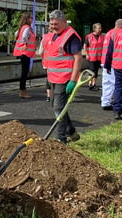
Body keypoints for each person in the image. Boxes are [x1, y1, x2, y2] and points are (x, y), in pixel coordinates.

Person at [44, 10, 82, 144]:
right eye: (52, 24)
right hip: (53, 76)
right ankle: (71, 131)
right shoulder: (54, 35)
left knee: (59, 108)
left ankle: (61, 138)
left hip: (64, 77)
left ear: (64, 22)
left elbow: (78, 58)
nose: (53, 26)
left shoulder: (71, 36)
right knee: (58, 107)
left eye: (56, 24)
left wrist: (73, 79)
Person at [101, 18, 122, 112]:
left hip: (105, 61)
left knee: (107, 83)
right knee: (118, 84)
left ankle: (105, 102)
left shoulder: (109, 33)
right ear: (121, 25)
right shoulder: (116, 34)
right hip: (113, 62)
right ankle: (120, 104)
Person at [13, 12, 36, 99]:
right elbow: (24, 37)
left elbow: (16, 34)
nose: (32, 19)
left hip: (24, 53)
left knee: (24, 72)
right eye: (31, 18)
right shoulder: (27, 28)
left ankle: (23, 90)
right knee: (24, 72)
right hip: (25, 52)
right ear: (27, 19)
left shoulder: (22, 28)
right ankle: (22, 91)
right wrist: (25, 43)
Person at [84, 23, 104, 90]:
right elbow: (85, 46)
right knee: (91, 70)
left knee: (96, 71)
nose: (100, 29)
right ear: (94, 29)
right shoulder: (89, 37)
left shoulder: (102, 37)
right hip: (91, 56)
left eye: (101, 28)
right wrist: (86, 54)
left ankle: (94, 84)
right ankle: (90, 83)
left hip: (99, 57)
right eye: (99, 28)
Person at [37, 27, 53, 102]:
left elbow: (40, 52)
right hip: (57, 63)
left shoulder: (45, 38)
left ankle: (48, 96)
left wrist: (43, 58)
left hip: (46, 62)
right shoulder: (58, 37)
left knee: (48, 78)